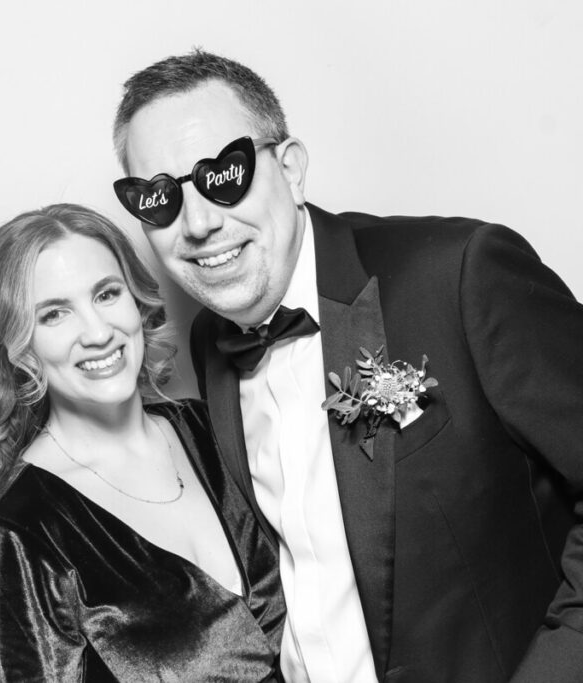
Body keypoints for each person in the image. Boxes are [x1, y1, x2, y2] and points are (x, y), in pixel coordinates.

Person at [110, 50, 583, 683]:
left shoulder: (460, 274)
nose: (198, 223)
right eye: (160, 199)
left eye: (224, 175)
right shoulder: (210, 346)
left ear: (292, 169)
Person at [0, 203, 286, 681]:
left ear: (136, 299)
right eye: (54, 315)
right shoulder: (15, 534)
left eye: (106, 294)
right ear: (21, 346)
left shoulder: (215, 426)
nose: (98, 332)